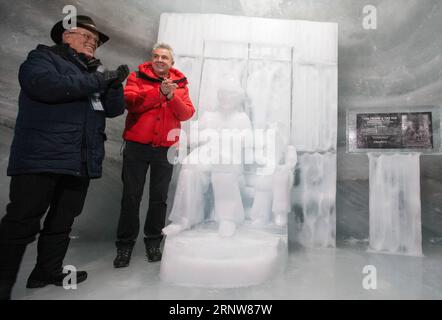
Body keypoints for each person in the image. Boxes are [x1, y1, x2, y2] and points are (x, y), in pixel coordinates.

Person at [0, 15, 129, 300]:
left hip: (80, 160)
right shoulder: (42, 59)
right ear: (65, 35)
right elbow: (47, 87)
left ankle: (46, 271)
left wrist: (115, 83)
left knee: (63, 220)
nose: (92, 43)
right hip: (42, 156)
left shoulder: (93, 72)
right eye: (86, 37)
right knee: (22, 222)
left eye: (95, 41)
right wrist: (98, 78)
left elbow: (114, 110)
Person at [113, 43, 195, 268]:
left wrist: (171, 96)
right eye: (156, 56)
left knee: (158, 199)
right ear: (151, 59)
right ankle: (124, 246)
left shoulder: (180, 84)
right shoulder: (136, 77)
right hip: (137, 147)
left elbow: (186, 113)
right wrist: (158, 92)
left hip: (166, 149)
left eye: (165, 57)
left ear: (171, 63)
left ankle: (153, 242)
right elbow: (131, 103)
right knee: (131, 196)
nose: (160, 60)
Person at [162, 85, 253, 237]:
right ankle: (185, 218)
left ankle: (227, 218)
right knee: (190, 166)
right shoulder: (209, 116)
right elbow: (193, 137)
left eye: (230, 94)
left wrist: (226, 139)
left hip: (229, 154)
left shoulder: (241, 118)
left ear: (238, 99)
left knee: (223, 167)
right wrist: (206, 137)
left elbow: (248, 141)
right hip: (207, 151)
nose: (226, 98)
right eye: (223, 93)